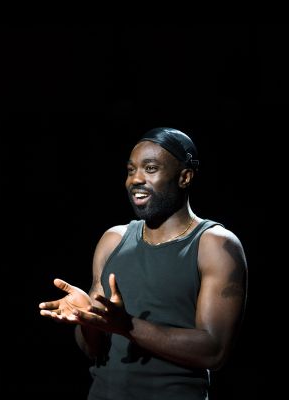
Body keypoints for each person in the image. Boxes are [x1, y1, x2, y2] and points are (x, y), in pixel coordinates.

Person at [38, 127, 247, 400]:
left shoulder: (216, 245)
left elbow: (214, 351)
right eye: (130, 170)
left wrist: (126, 325)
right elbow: (94, 350)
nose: (135, 179)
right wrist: (88, 318)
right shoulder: (113, 240)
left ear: (184, 177)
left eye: (150, 168)